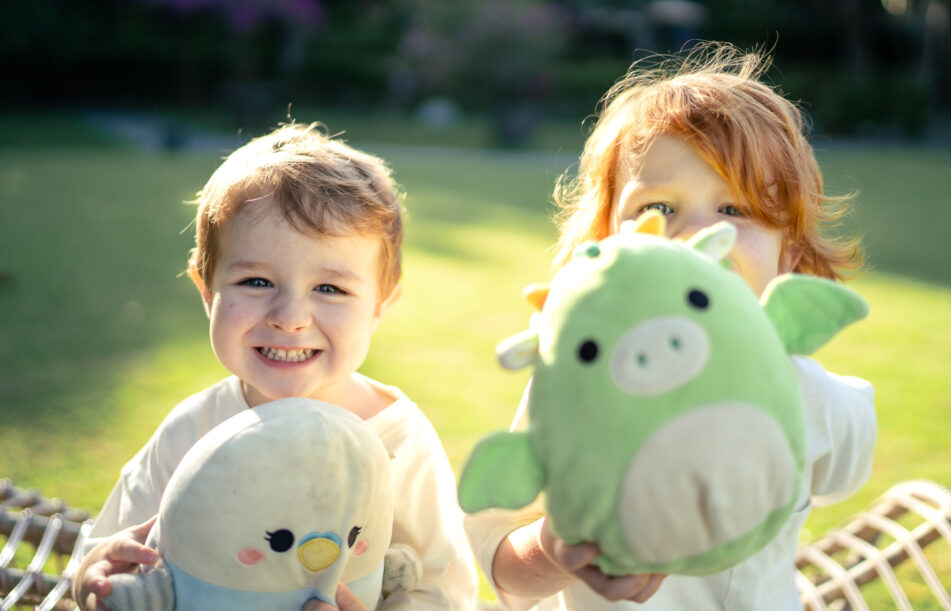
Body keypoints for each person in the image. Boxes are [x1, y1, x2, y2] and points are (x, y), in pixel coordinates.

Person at [464, 42, 877, 610]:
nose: (694, 237)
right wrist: (557, 552)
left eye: (735, 211)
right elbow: (501, 564)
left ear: (789, 258)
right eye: (658, 210)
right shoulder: (575, 374)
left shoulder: (804, 391)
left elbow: (847, 461)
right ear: (606, 246)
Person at [73, 123, 478, 611]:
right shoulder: (194, 429)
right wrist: (95, 582)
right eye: (257, 281)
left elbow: (446, 588)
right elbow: (106, 552)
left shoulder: (400, 440)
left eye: (330, 289)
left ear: (379, 306)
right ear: (207, 289)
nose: (289, 319)